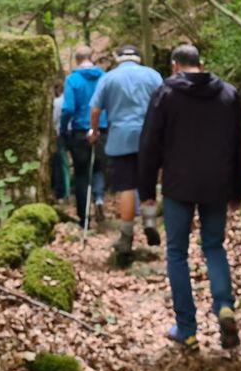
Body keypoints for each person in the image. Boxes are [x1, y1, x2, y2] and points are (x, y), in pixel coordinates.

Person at [138, 44, 241, 351]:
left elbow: (149, 144)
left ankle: (187, 330)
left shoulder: (165, 94)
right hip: (218, 185)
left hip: (179, 185)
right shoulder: (228, 94)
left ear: (175, 66)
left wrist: (146, 192)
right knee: (213, 246)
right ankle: (224, 306)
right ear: (201, 64)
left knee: (177, 252)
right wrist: (238, 190)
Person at [88, 43, 163, 256]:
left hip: (120, 138)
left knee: (127, 187)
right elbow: (164, 104)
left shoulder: (108, 78)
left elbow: (95, 109)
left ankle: (127, 235)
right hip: (149, 137)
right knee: (148, 182)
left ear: (118, 58)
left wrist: (94, 132)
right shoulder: (153, 75)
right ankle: (150, 222)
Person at [60, 46, 108, 228]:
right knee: (98, 168)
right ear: (91, 58)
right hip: (101, 129)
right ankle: (99, 198)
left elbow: (68, 108)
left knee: (81, 174)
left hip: (80, 131)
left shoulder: (72, 79)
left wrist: (63, 129)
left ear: (77, 60)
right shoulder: (104, 77)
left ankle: (84, 218)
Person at [50, 79, 69, 202]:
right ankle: (68, 190)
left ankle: (63, 192)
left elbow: (54, 119)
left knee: (62, 163)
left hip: (61, 133)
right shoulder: (69, 100)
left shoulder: (56, 102)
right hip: (73, 131)